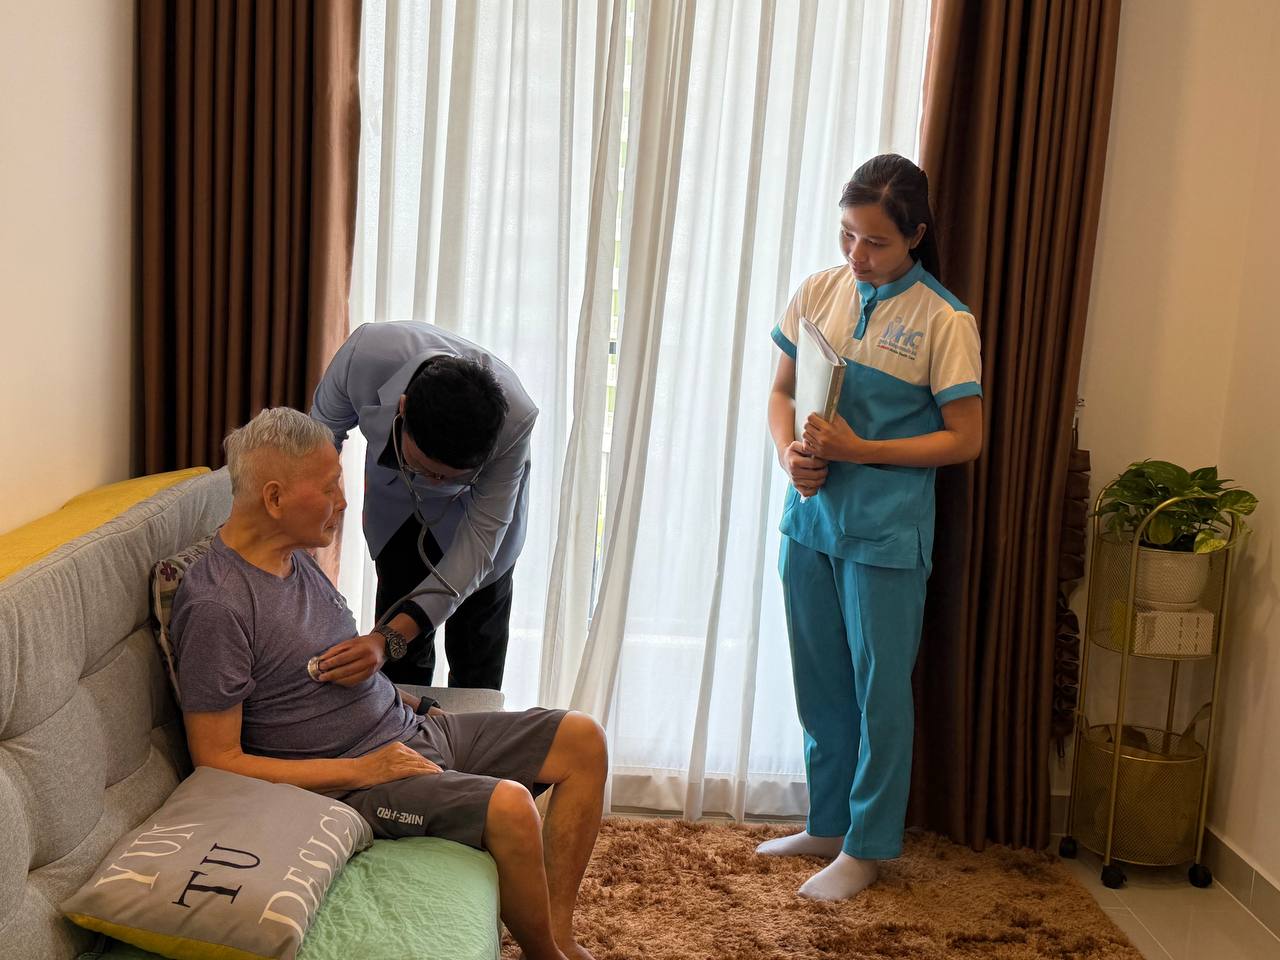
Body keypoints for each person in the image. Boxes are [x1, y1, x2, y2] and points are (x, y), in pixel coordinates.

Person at [171, 408, 604, 960]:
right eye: (330, 488)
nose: (344, 501)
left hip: (410, 728)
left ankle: (561, 931)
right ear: (275, 499)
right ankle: (547, 955)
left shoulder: (292, 559)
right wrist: (362, 770)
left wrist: (417, 702)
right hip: (359, 781)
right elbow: (216, 760)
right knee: (511, 806)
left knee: (582, 738)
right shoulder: (217, 605)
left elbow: (320, 673)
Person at [758, 154, 983, 900]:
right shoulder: (818, 290)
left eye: (875, 242)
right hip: (812, 521)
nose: (856, 255)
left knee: (879, 692)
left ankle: (867, 844)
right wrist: (791, 454)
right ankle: (826, 824)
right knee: (819, 683)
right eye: (848, 235)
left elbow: (965, 437)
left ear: (916, 235)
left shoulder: (945, 320)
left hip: (886, 536)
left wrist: (863, 451)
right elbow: (782, 391)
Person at [310, 321, 536, 692]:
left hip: (482, 531)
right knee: (400, 665)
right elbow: (315, 444)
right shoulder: (365, 356)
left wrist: (385, 641)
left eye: (448, 477)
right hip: (396, 514)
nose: (432, 483)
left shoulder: (517, 421)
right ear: (402, 410)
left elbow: (479, 547)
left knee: (476, 663)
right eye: (422, 468)